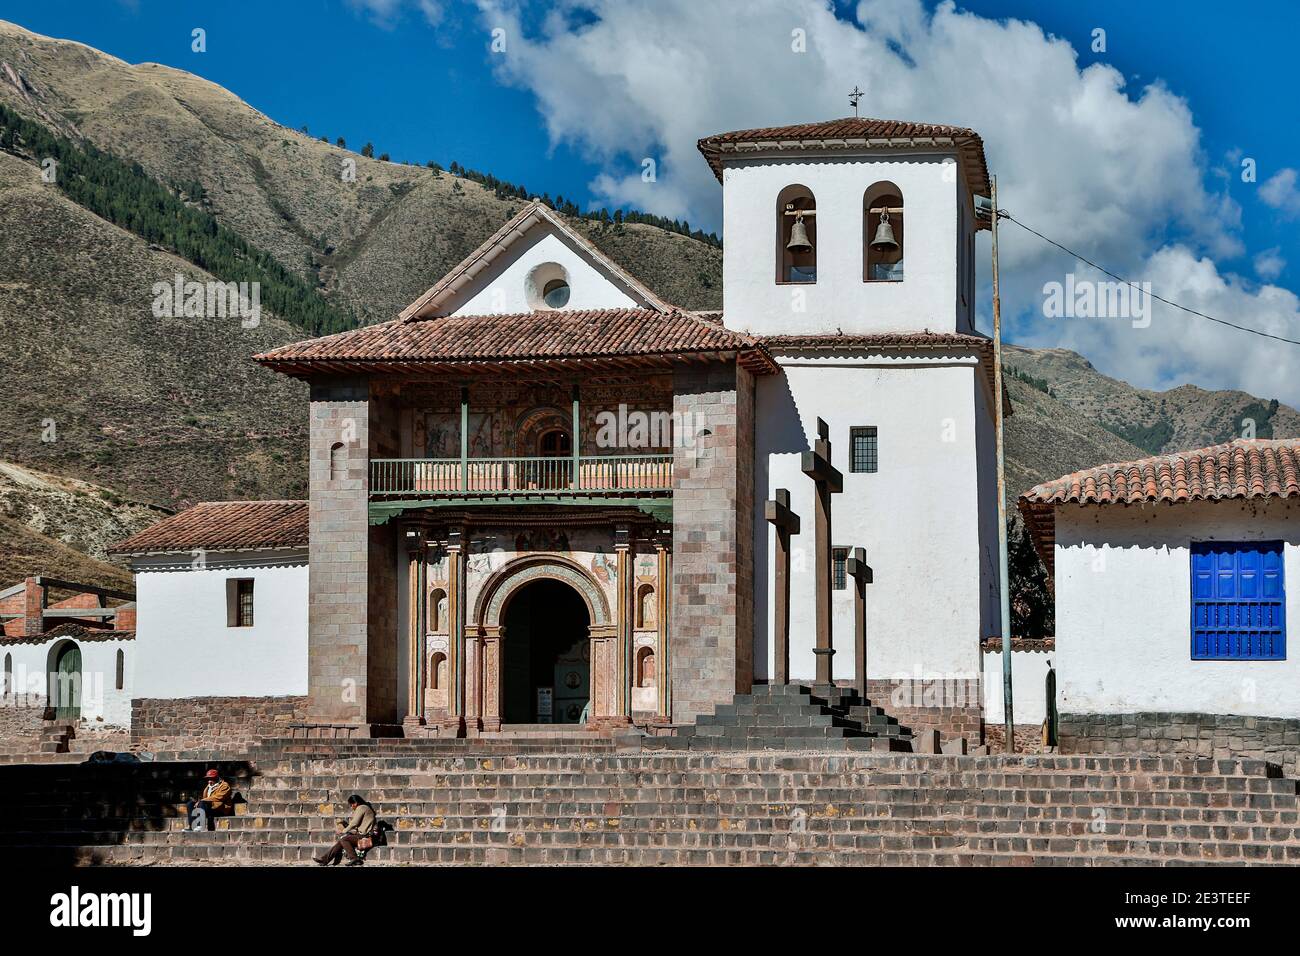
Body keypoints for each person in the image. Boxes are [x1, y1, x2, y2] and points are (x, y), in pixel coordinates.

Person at [314, 794, 376, 866]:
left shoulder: (361, 808)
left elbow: (354, 823)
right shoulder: (365, 807)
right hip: (362, 834)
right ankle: (324, 860)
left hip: (364, 836)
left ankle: (354, 859)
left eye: (351, 805)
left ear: (355, 803)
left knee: (344, 839)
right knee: (341, 841)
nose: (351, 807)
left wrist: (343, 831)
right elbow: (359, 825)